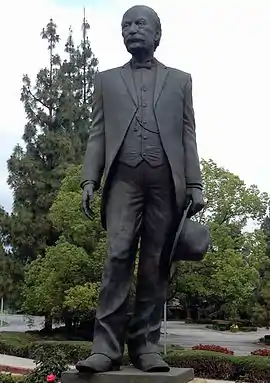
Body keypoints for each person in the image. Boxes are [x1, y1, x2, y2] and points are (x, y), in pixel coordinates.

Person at [76, 4, 204, 374]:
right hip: (123, 180)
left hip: (166, 181)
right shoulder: (105, 81)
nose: (132, 30)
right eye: (125, 25)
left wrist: (194, 183)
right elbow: (97, 134)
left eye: (140, 24)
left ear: (156, 34)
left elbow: (188, 134)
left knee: (154, 264)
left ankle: (147, 347)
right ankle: (105, 348)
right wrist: (90, 179)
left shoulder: (181, 81)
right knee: (116, 257)